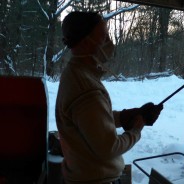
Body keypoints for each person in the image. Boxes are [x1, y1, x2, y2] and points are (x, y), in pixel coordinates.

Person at [55, 11, 163, 184]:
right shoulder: (85, 87)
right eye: (103, 37)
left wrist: (126, 116)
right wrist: (135, 131)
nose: (109, 42)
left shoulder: (76, 74)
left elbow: (90, 121)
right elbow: (108, 148)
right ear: (85, 41)